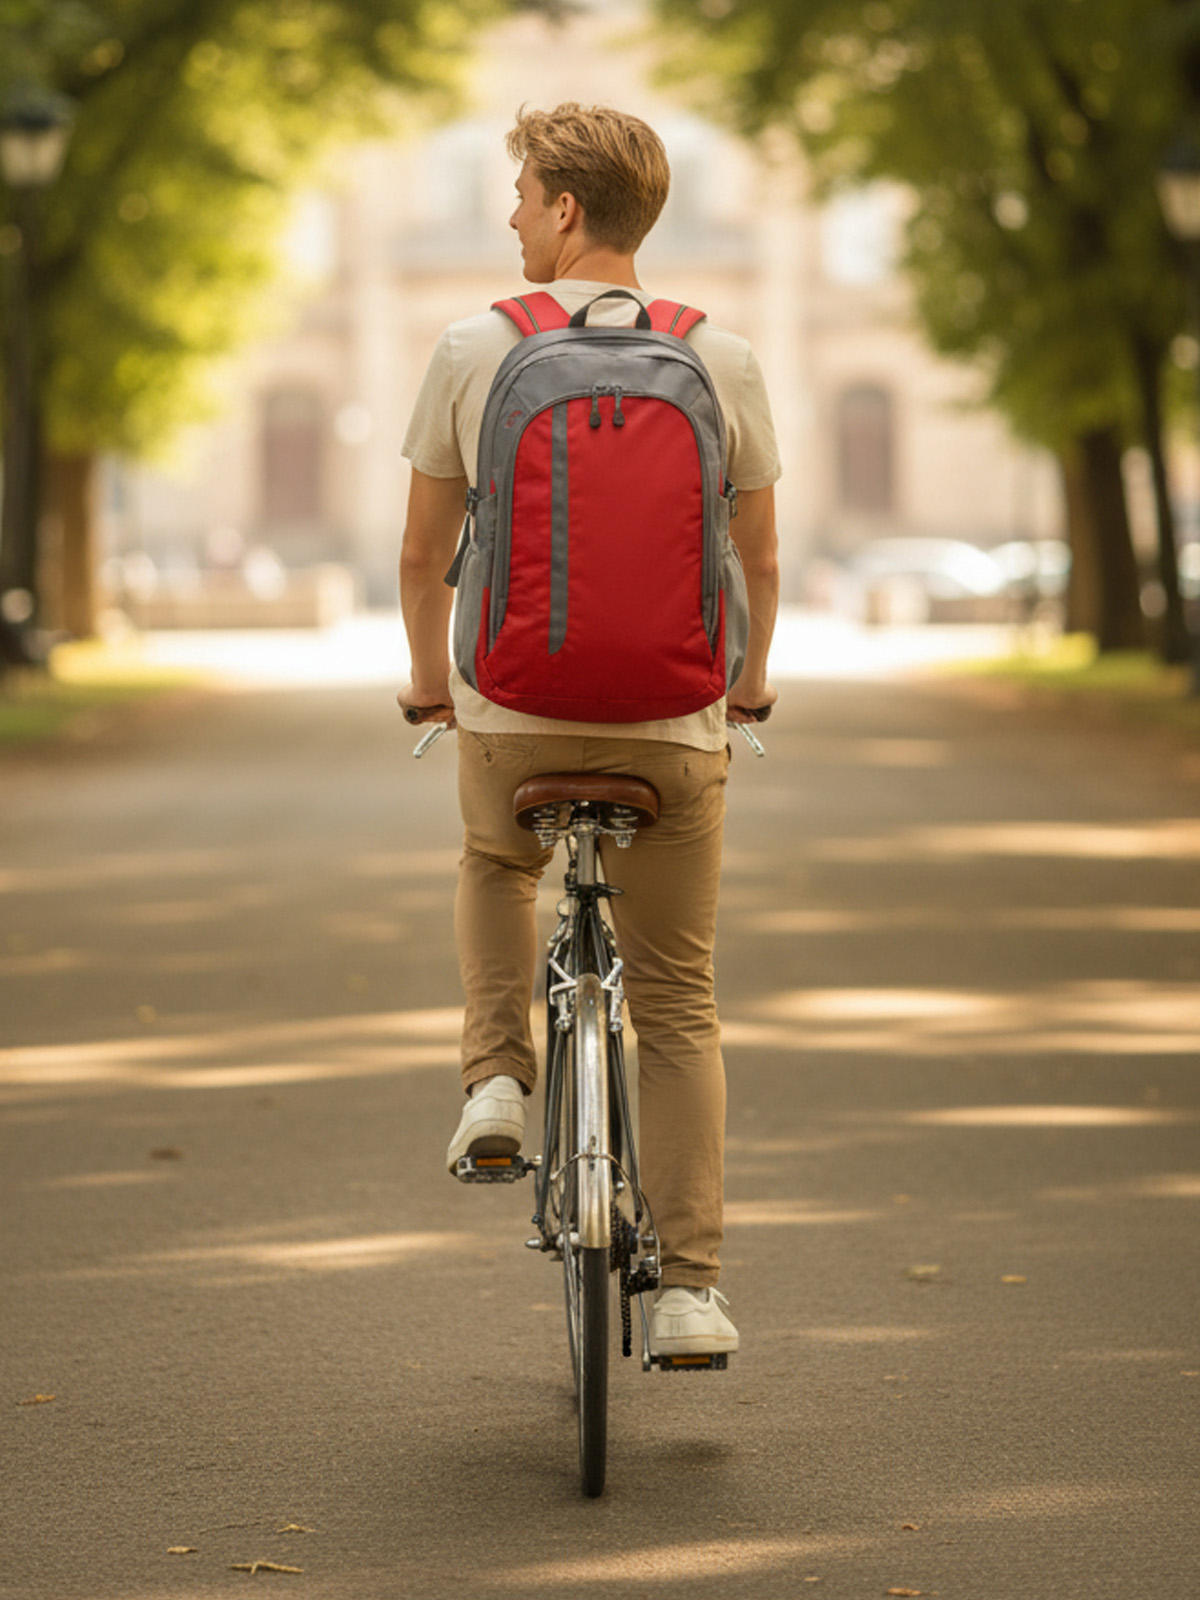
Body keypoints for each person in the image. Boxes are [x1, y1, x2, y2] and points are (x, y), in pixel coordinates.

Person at [398, 103, 780, 1357]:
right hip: (674, 725)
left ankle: (497, 1079)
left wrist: (429, 682)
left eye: (519, 195)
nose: (508, 214)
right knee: (676, 1001)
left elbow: (422, 556)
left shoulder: (470, 345)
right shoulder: (718, 354)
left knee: (497, 858)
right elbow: (755, 559)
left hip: (511, 716)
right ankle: (690, 1291)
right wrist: (746, 685)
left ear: (566, 210)